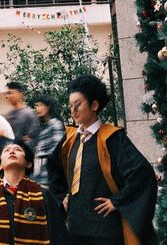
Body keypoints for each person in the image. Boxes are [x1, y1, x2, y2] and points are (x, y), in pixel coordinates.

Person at [48, 75, 157, 245]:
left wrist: (117, 201)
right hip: (76, 228)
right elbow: (53, 172)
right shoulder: (68, 140)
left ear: (94, 105)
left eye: (78, 105)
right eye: (70, 106)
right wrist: (62, 197)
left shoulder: (112, 138)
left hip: (105, 230)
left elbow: (142, 173)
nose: (73, 111)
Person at [0, 139, 69, 245]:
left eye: (17, 149)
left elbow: (58, 235)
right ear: (0, 165)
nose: (12, 151)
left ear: (28, 163)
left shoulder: (43, 195)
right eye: (6, 150)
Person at [32, 94, 66, 188]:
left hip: (50, 180)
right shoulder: (43, 127)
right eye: (36, 106)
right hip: (40, 178)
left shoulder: (55, 125)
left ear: (48, 106)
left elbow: (57, 152)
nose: (37, 109)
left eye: (39, 105)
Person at [4, 82, 39, 150]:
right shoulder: (9, 114)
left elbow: (34, 139)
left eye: (10, 93)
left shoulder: (29, 114)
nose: (7, 96)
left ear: (20, 94)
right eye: (7, 93)